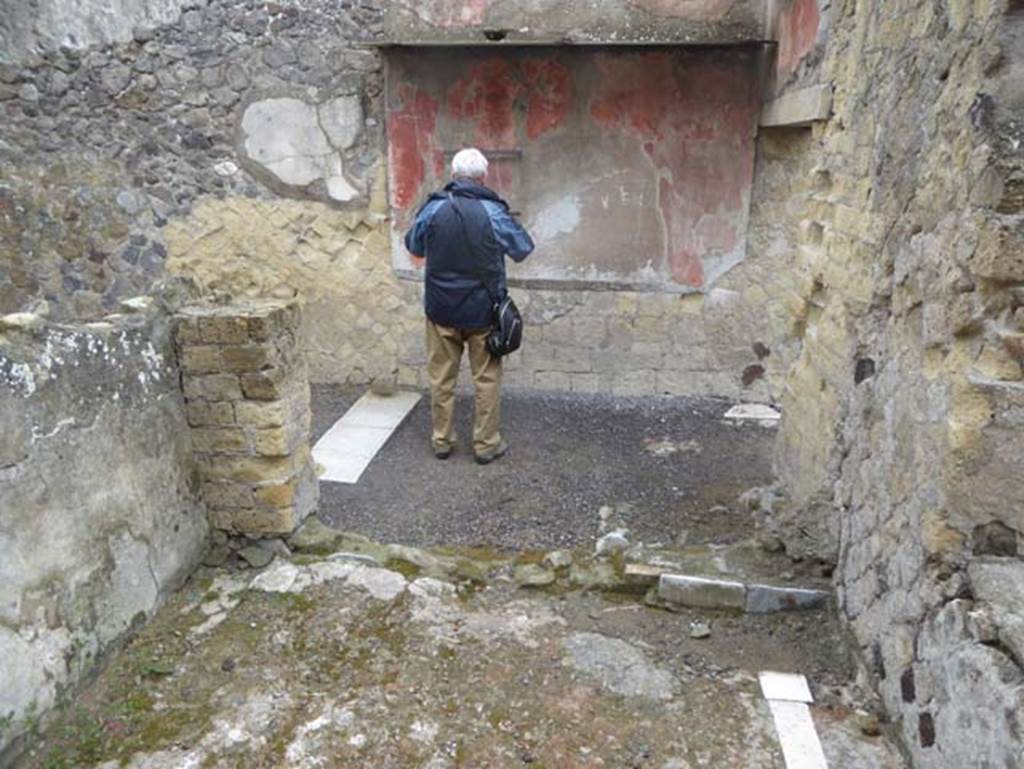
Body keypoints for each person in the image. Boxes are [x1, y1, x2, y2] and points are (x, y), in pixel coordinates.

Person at [404, 148, 535, 464]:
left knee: (441, 378)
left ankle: (442, 440)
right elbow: (522, 248)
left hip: (441, 310)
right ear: (484, 177)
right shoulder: (493, 212)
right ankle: (486, 444)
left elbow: (413, 245)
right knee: (486, 379)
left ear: (453, 176)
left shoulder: (433, 210)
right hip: (483, 311)